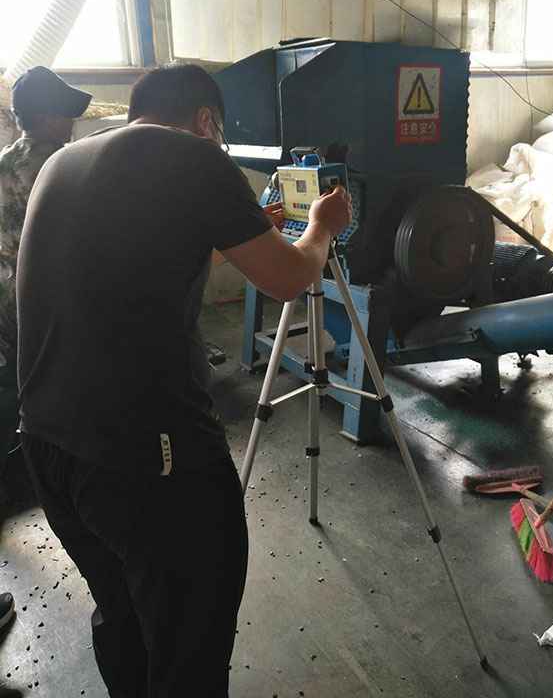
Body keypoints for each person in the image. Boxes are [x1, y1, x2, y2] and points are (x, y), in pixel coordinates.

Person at [16, 64, 351, 697]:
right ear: (205, 122)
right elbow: (288, 278)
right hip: (146, 460)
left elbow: (151, 245)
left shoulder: (64, 161)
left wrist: (251, 224)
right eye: (219, 135)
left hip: (48, 446)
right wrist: (322, 226)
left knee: (123, 613)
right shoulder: (195, 157)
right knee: (190, 636)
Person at [0, 67, 91, 437]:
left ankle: (28, 437)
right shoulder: (60, 164)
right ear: (49, 118)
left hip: (6, 293)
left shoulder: (5, 158)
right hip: (48, 297)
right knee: (62, 378)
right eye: (67, 115)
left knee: (25, 373)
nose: (71, 123)